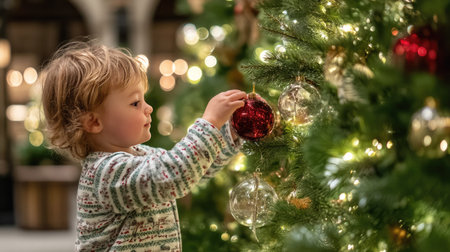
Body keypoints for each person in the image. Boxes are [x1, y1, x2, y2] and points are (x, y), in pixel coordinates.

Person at [40, 41, 247, 251]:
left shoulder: (143, 155)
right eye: (135, 103)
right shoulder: (106, 172)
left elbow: (195, 170)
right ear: (94, 122)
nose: (148, 108)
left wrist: (231, 133)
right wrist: (209, 123)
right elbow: (175, 175)